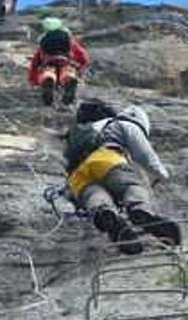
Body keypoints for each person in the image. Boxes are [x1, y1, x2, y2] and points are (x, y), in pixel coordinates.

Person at [63, 103, 181, 253]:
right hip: (107, 160)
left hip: (77, 175)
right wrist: (162, 174)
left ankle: (105, 213)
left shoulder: (85, 131)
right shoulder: (126, 124)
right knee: (131, 186)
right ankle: (140, 210)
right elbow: (144, 155)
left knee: (94, 195)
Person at [28, 17, 91, 106]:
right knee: (67, 74)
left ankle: (48, 79)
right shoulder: (69, 40)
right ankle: (69, 80)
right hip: (66, 62)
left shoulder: (43, 40)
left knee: (48, 73)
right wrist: (80, 67)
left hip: (48, 62)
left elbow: (35, 63)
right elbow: (83, 56)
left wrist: (33, 80)